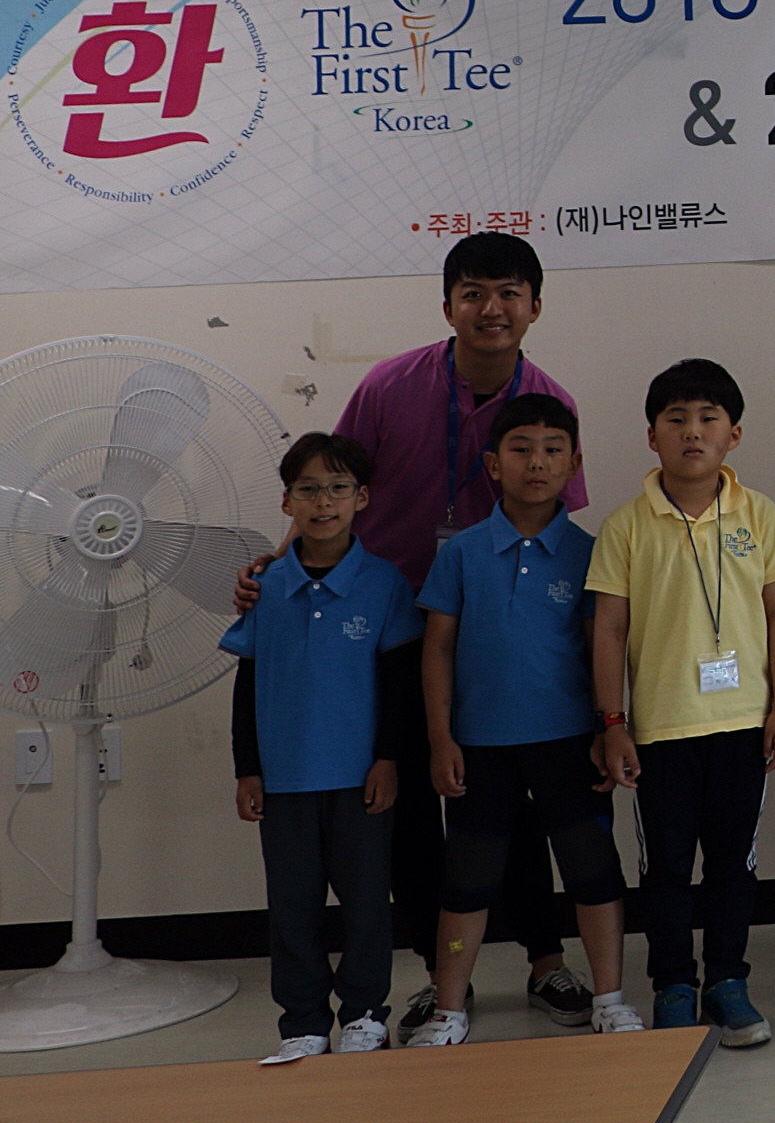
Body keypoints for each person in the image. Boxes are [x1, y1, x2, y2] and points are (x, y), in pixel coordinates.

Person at [232, 232, 592, 1034]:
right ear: (448, 306)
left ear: (535, 306)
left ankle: (546, 961)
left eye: (509, 292)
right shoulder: (389, 386)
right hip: (388, 629)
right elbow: (331, 481)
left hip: (495, 630)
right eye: (473, 292)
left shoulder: (549, 402)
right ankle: (439, 975)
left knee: (514, 801)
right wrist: (279, 570)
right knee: (413, 809)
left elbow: (557, 520)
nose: (491, 308)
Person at [403, 396, 640, 1045]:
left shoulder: (590, 552)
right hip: (480, 747)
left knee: (593, 871)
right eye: (521, 449)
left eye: (553, 449)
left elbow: (601, 646)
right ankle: (450, 1008)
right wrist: (441, 737)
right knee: (468, 881)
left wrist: (608, 727)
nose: (537, 462)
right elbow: (438, 649)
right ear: (492, 464)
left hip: (570, 744)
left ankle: (610, 998)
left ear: (574, 464)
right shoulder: (462, 553)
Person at [587, 359, 775, 1046]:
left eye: (708, 418)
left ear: (733, 435)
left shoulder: (760, 515)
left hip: (743, 723)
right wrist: (613, 723)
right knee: (667, 869)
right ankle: (674, 986)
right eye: (675, 419)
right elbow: (609, 629)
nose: (692, 432)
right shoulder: (626, 525)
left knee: (734, 864)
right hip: (661, 730)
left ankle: (729, 982)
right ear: (651, 436)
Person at [224, 432, 421, 1059]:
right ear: (287, 502)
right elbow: (248, 681)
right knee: (292, 907)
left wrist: (388, 758)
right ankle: (303, 1021)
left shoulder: (384, 584)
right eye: (308, 490)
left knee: (366, 904)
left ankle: (364, 1012)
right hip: (284, 779)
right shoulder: (266, 586)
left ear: (361, 498)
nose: (324, 501)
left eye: (338, 488)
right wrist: (247, 768)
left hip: (360, 778)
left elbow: (399, 683)